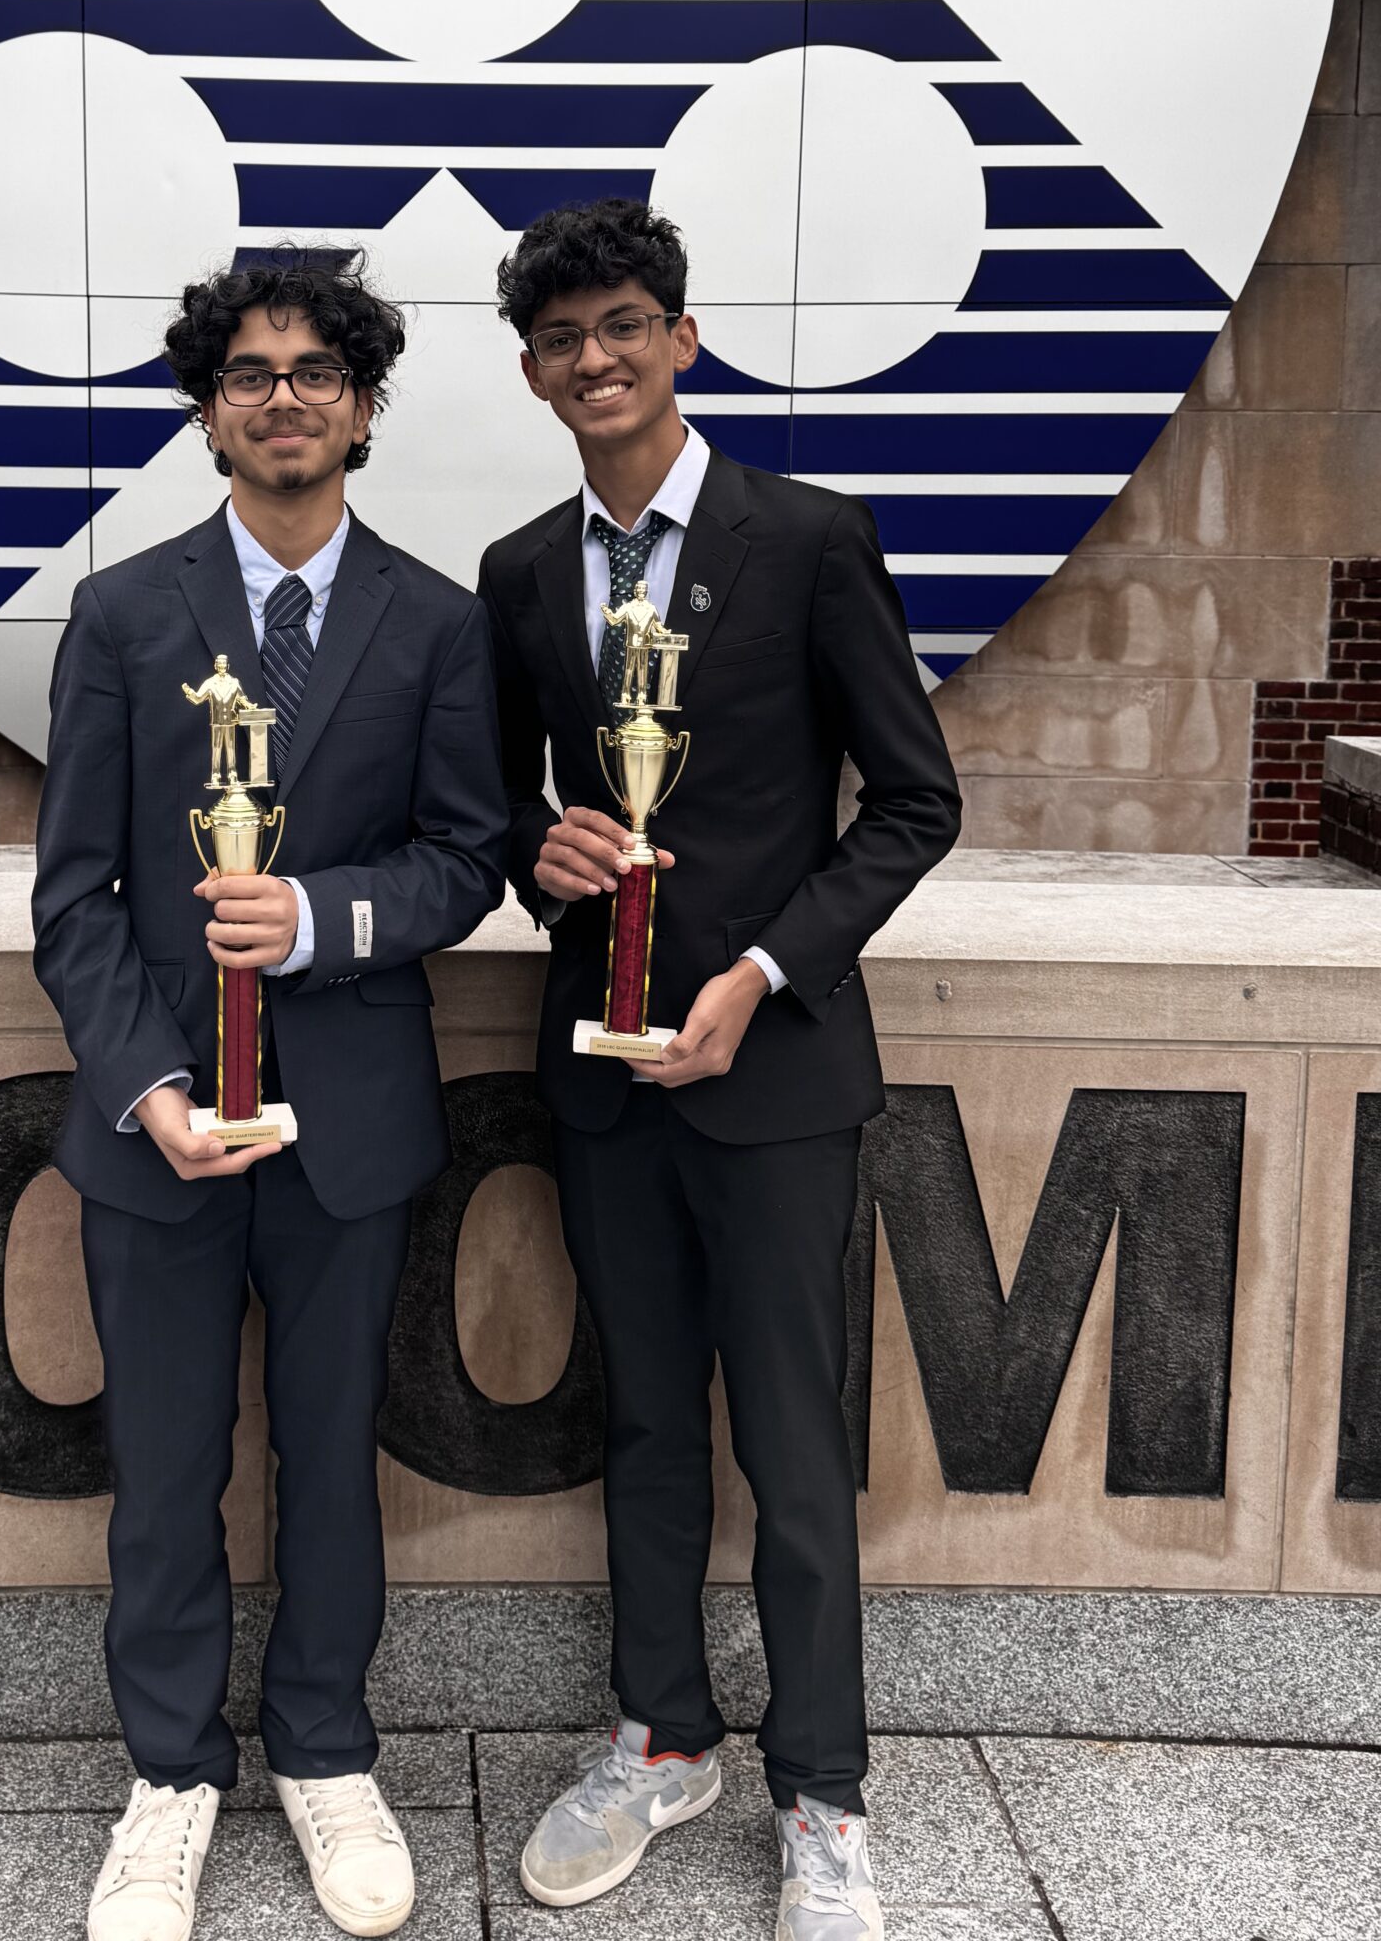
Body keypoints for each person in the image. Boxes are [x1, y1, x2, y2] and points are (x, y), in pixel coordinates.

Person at [475, 199, 961, 1941]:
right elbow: (498, 807)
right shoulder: (520, 572)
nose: (595, 359)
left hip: (772, 1076)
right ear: (534, 375)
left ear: (681, 339)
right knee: (644, 1422)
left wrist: (760, 976)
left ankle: (822, 1796)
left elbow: (916, 803)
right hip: (605, 1075)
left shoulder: (810, 539)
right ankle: (660, 1738)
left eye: (624, 325)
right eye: (562, 339)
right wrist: (540, 853)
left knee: (795, 1442)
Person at [33, 251, 507, 1941]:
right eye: (250, 372)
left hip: (350, 1120)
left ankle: (323, 1748)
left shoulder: (437, 621)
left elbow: (468, 859)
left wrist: (321, 919)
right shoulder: (123, 614)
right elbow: (73, 897)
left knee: (330, 1451)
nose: (283, 396)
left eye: (317, 372)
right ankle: (169, 1776)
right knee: (165, 1465)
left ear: (363, 408)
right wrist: (148, 1085)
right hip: (162, 1125)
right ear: (210, 410)